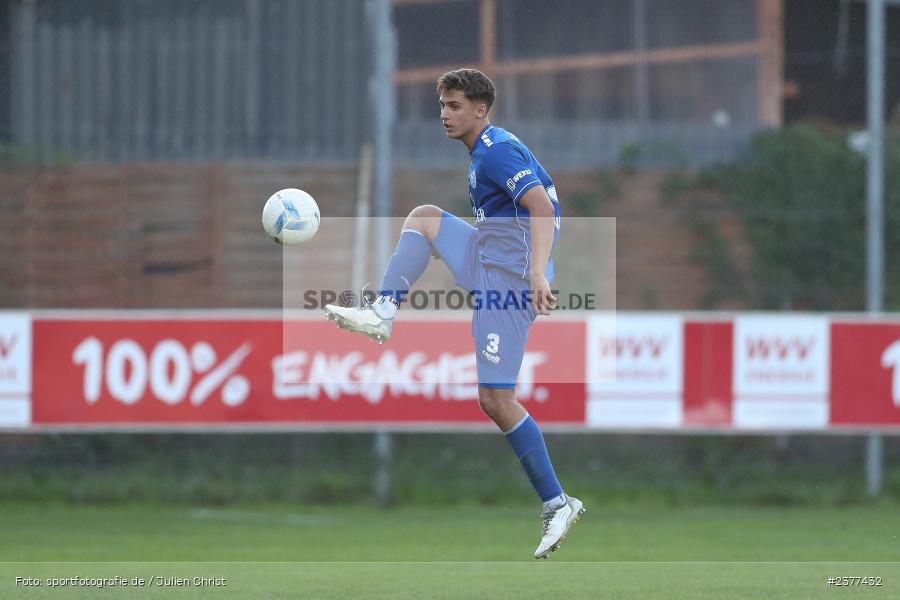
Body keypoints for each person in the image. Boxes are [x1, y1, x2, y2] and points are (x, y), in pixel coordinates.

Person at [324, 68, 583, 559]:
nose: (444, 114)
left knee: (495, 399)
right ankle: (382, 312)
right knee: (423, 218)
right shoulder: (485, 149)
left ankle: (558, 502)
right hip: (489, 258)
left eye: (455, 105)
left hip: (508, 281)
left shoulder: (497, 150)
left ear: (480, 110)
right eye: (442, 104)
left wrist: (536, 274)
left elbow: (543, 210)